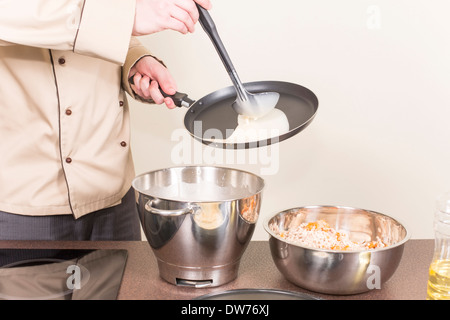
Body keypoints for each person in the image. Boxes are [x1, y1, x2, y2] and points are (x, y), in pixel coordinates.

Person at [0, 0, 212, 241]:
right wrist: (124, 16)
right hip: (23, 205)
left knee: (130, 280)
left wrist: (134, 60)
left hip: (113, 194)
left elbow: (102, 25)